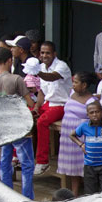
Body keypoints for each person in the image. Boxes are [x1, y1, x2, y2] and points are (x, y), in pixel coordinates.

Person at [0, 48, 36, 200]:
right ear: (9, 61)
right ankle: (27, 198)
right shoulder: (16, 79)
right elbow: (29, 102)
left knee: (5, 162)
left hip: (1, 127)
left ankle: (7, 197)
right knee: (27, 164)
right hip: (18, 126)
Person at [34, 41, 72, 175]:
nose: (44, 55)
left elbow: (52, 77)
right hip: (47, 103)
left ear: (54, 54)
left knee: (42, 121)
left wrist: (36, 72)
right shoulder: (41, 67)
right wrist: (36, 107)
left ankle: (42, 162)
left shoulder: (61, 66)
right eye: (42, 52)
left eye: (48, 53)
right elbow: (42, 92)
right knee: (28, 116)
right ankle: (18, 158)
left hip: (61, 105)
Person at [58, 72, 98, 195]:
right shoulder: (71, 94)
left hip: (81, 137)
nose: (73, 85)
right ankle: (73, 194)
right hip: (67, 135)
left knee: (83, 166)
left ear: (84, 85)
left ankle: (88, 194)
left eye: (76, 82)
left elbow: (96, 120)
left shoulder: (92, 100)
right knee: (72, 167)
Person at [70, 102, 102, 194]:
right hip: (89, 165)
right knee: (90, 193)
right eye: (91, 112)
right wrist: (81, 144)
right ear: (88, 115)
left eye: (97, 111)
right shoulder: (84, 126)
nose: (94, 114)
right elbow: (72, 135)